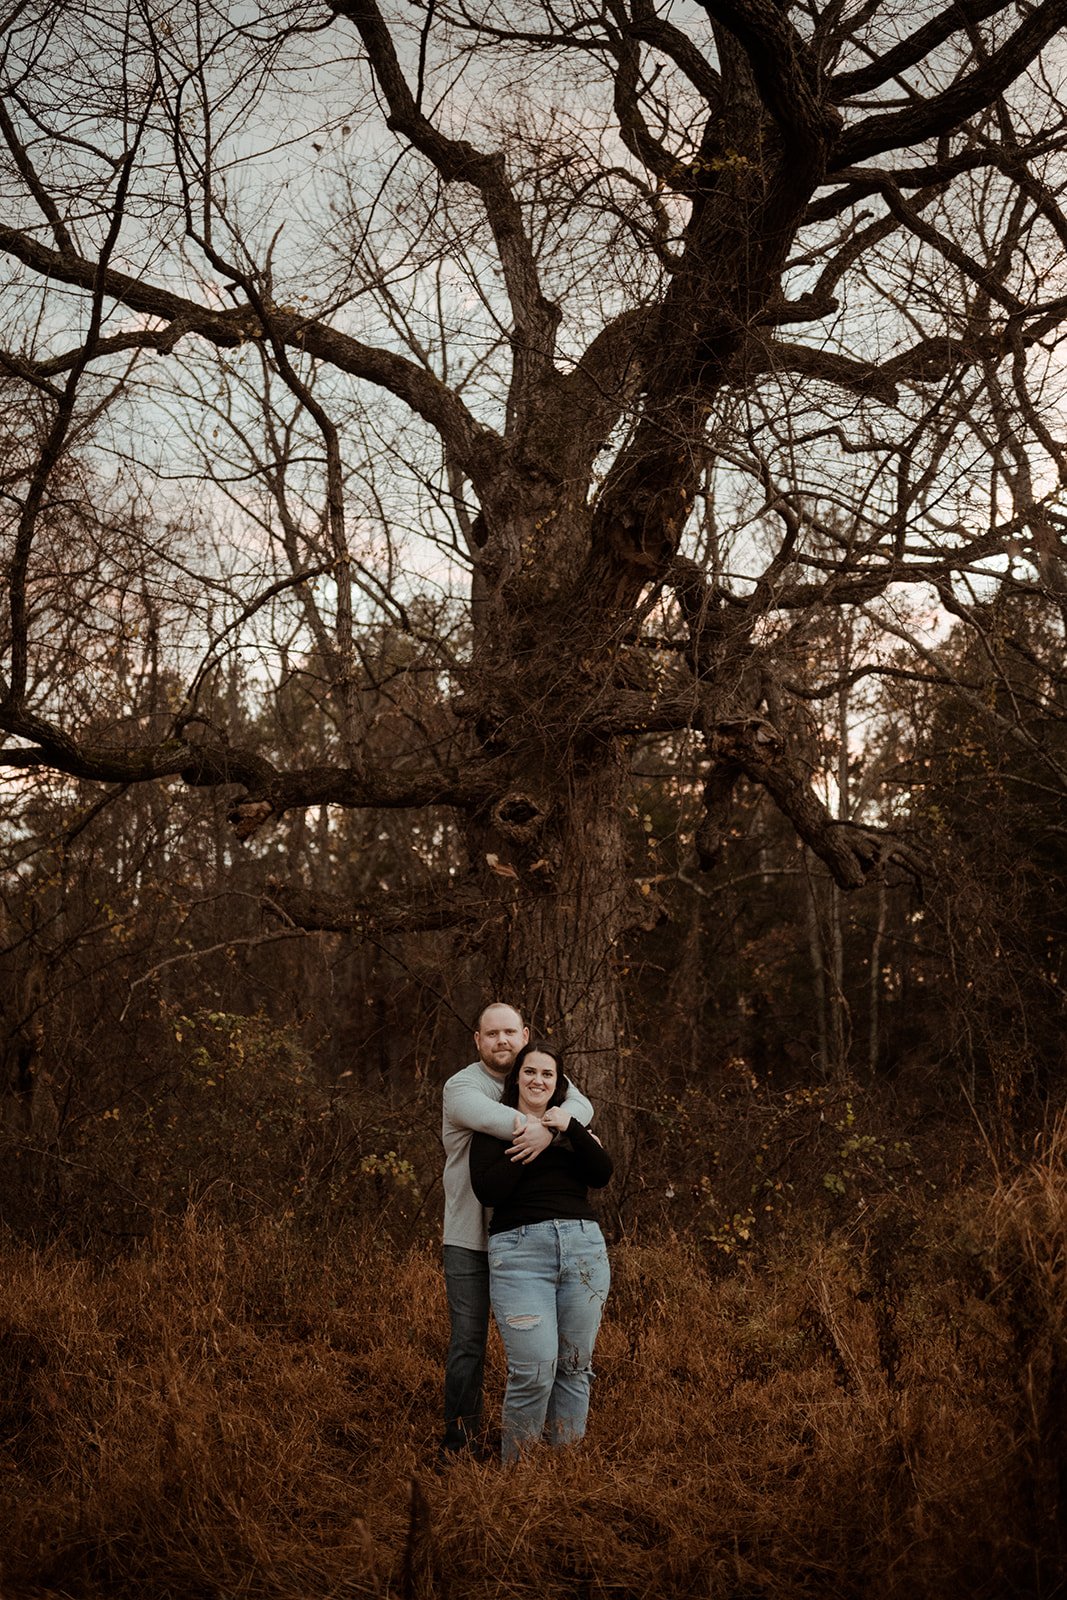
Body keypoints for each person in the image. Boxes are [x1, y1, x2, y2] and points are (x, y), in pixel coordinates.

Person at [440, 1003, 593, 1458]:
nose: (502, 1041)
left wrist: (563, 1124)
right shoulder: (463, 1086)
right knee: (469, 1344)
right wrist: (553, 1126)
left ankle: (545, 1448)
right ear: (478, 1040)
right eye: (492, 1034)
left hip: (528, 1242)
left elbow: (583, 1104)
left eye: (510, 1032)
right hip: (471, 1238)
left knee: (541, 1354)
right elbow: (493, 1118)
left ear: (525, 1035)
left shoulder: (542, 1078)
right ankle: (460, 1447)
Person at [469, 1039, 612, 1463]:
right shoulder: (497, 1127)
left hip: (584, 1248)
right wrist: (532, 1142)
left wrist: (561, 1131)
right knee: (532, 1370)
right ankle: (520, 1477)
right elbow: (488, 1189)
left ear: (558, 1083)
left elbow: (601, 1174)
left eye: (548, 1074)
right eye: (530, 1071)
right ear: (517, 1079)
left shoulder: (572, 1128)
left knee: (573, 1366)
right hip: (519, 1254)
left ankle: (564, 1475)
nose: (538, 1080)